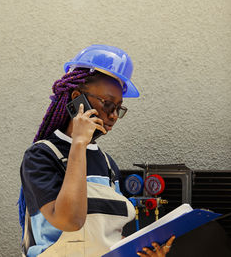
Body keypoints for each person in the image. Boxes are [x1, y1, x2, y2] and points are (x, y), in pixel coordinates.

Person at [18, 45, 175, 257]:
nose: (113, 116)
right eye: (108, 104)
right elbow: (70, 220)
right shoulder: (41, 156)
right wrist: (79, 144)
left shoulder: (108, 165)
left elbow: (107, 239)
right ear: (77, 98)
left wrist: (143, 253)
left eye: (118, 108)